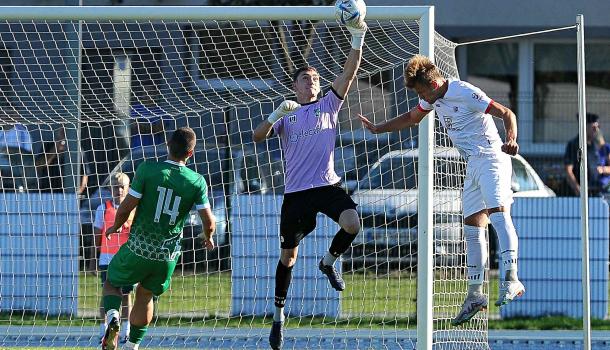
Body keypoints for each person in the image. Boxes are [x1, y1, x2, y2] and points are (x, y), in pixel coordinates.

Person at [358, 54, 524, 326]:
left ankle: (511, 278)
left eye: (422, 91)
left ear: (433, 84)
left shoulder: (465, 92)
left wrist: (511, 139)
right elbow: (412, 118)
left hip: (492, 158)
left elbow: (507, 113)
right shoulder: (432, 97)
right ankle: (475, 294)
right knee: (472, 228)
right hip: (472, 163)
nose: (422, 98)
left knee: (498, 215)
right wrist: (379, 128)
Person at [252, 13, 368, 350]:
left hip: (326, 186)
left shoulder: (329, 104)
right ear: (295, 85)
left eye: (315, 78)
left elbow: (350, 71)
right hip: (296, 194)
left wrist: (357, 36)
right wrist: (275, 114)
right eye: (306, 78)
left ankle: (328, 263)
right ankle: (278, 317)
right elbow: (257, 136)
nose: (312, 82)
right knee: (288, 257)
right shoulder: (287, 112)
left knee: (352, 222)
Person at [100, 127, 216, 350]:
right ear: (190, 154)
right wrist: (208, 236)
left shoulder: (148, 170)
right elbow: (209, 223)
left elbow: (125, 207)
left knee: (112, 283)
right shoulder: (197, 181)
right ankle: (132, 346)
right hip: (167, 256)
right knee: (146, 295)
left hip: (139, 248)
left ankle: (114, 317)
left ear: (168, 145)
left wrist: (115, 225)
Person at [93, 173, 134, 344]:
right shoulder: (102, 208)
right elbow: (97, 237)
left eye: (122, 186)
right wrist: (93, 260)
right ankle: (104, 331)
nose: (119, 190)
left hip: (126, 259)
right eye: (115, 186)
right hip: (107, 259)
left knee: (126, 295)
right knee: (107, 294)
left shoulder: (133, 210)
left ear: (128, 187)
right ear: (110, 189)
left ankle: (126, 330)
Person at [564, 113, 607, 196]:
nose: (597, 130)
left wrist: (603, 169)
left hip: (596, 192)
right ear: (585, 127)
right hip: (578, 194)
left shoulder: (596, 145)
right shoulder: (574, 145)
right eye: (594, 128)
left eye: (598, 127)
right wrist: (577, 188)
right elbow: (568, 170)